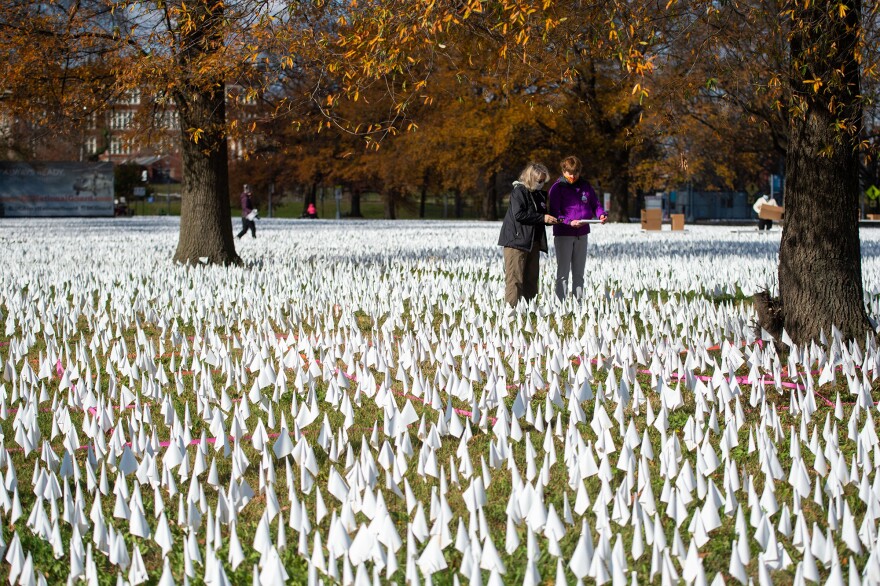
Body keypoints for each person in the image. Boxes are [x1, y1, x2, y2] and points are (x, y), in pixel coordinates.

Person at [498, 162, 558, 307]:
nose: (542, 184)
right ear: (530, 178)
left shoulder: (539, 195)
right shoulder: (519, 192)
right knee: (515, 278)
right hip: (516, 241)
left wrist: (553, 219)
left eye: (544, 181)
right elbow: (519, 214)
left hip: (533, 242)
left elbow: (542, 216)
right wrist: (542, 218)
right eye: (539, 181)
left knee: (531, 278)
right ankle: (511, 311)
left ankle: (529, 309)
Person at [547, 156, 607, 300]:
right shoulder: (557, 188)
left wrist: (601, 215)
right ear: (563, 171)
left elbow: (595, 204)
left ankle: (578, 302)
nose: (572, 176)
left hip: (582, 234)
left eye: (575, 173)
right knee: (563, 271)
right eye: (569, 173)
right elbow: (555, 213)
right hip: (564, 234)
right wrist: (569, 222)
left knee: (579, 271)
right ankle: (560, 302)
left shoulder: (585, 186)